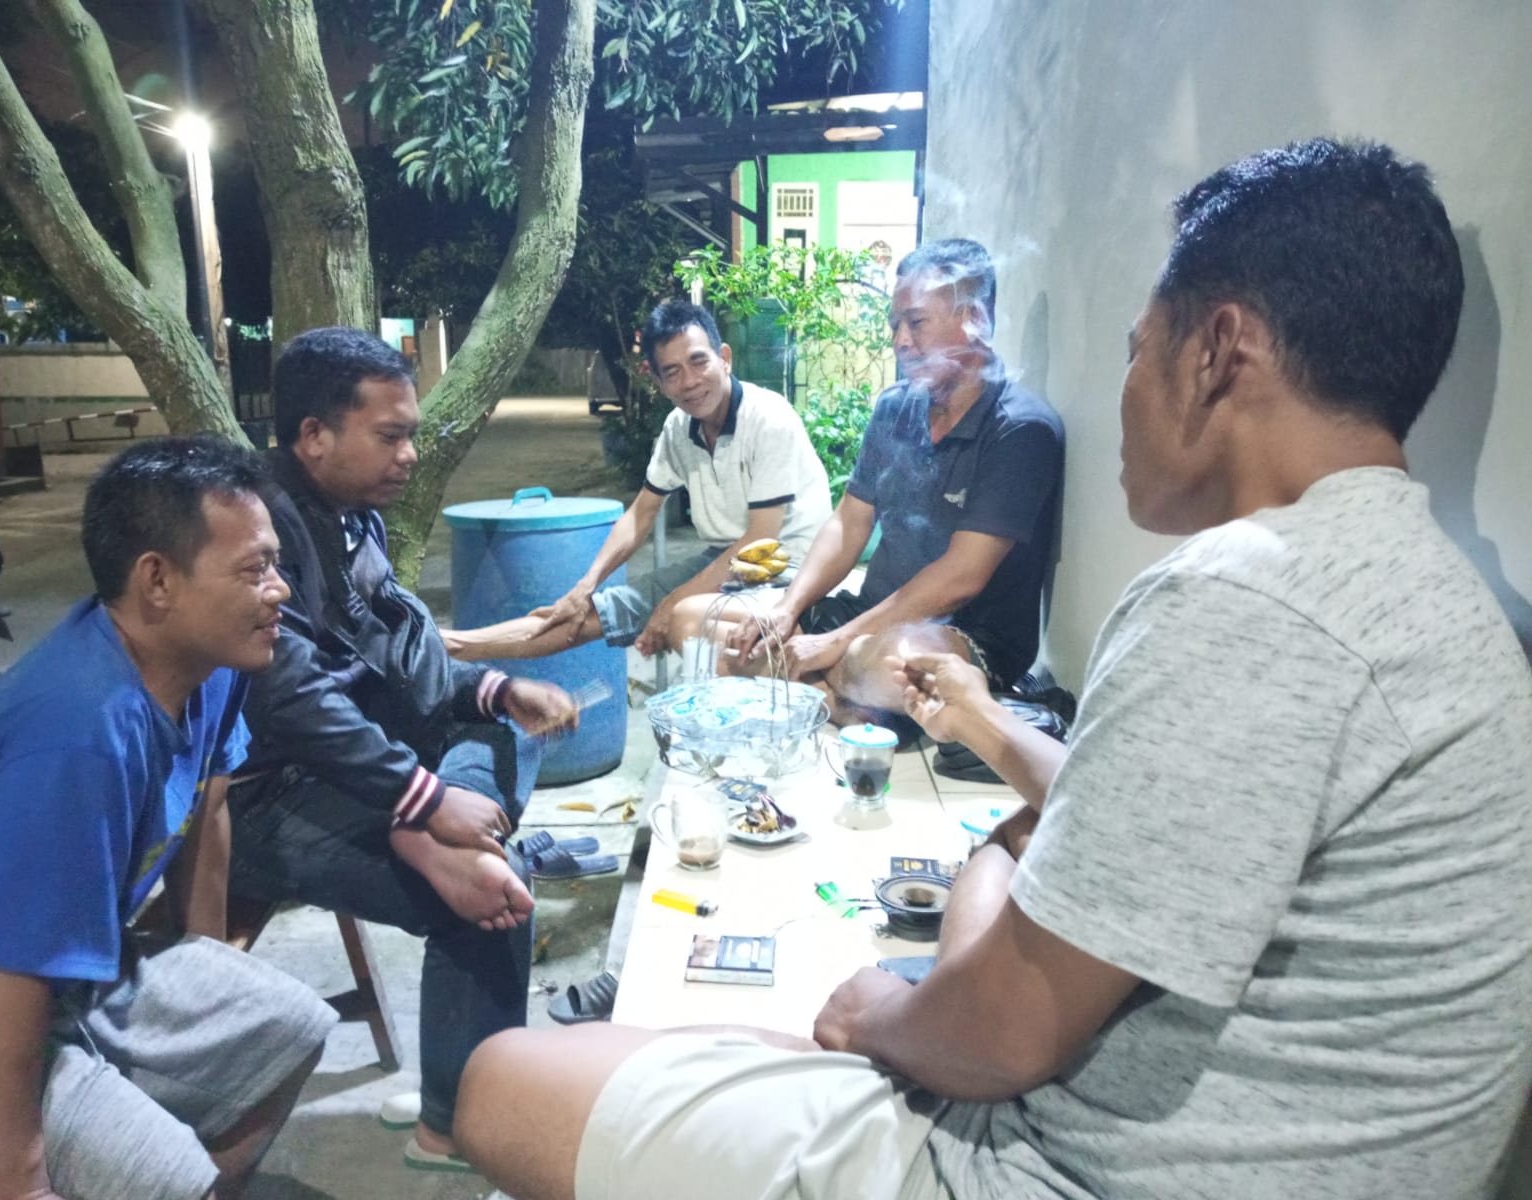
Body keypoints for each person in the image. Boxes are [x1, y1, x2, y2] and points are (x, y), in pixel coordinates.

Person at [450, 139, 1532, 1200]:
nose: (1126, 386)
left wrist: (885, 1000)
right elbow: (1127, 837)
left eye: (1136, 348)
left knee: (503, 1084)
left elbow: (1000, 1034)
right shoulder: (1437, 596)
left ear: (1217, 351)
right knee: (715, 1018)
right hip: (1151, 1118)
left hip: (1052, 1161)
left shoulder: (1240, 595)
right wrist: (970, 769)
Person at [0, 437, 336, 1200]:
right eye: (254, 569)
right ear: (157, 581)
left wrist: (207, 964)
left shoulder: (210, 663)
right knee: (167, 1175)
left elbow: (209, 799)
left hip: (63, 976)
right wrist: (20, 1186)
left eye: (276, 564)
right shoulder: (80, 731)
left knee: (290, 1025)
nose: (280, 590)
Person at [225, 326, 577, 1171]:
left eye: (412, 434)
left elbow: (395, 659)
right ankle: (452, 1126)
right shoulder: (262, 533)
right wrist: (422, 797)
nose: (410, 455)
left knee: (508, 731)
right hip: (268, 795)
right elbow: (292, 701)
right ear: (314, 435)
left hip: (360, 755)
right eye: (391, 435)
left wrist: (494, 689)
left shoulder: (354, 517)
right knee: (492, 891)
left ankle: (431, 831)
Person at [720, 238, 1064, 728]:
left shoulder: (1021, 429)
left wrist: (835, 642)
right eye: (894, 325)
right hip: (870, 616)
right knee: (714, 626)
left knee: (893, 663)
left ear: (975, 320)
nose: (900, 341)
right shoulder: (895, 407)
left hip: (962, 637)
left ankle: (824, 691)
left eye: (916, 322)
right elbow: (848, 523)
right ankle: (844, 702)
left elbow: (962, 577)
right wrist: (787, 607)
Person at [443, 300, 832, 662]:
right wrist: (585, 586)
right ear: (660, 383)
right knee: (584, 613)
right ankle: (447, 647)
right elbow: (641, 513)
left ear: (724, 358)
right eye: (673, 372)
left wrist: (672, 604)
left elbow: (761, 542)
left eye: (699, 361)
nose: (690, 381)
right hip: (723, 560)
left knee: (687, 619)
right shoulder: (679, 428)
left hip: (786, 568)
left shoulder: (768, 419)